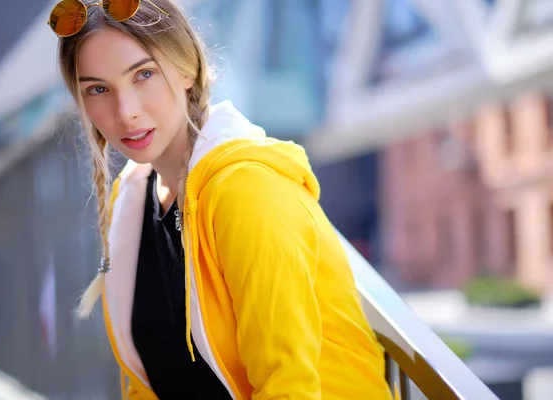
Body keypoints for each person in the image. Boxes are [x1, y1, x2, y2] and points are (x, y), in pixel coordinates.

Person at [49, 0, 394, 398]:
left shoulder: (246, 192)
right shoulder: (133, 197)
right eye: (97, 89)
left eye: (143, 74)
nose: (125, 112)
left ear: (186, 69)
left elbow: (289, 387)